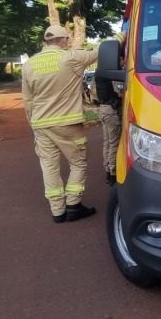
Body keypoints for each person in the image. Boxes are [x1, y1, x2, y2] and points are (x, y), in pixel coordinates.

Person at [22, 24, 125, 223]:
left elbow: (28, 100)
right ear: (63, 40)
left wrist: (33, 125)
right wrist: (121, 35)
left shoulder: (29, 64)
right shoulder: (70, 58)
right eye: (67, 40)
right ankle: (73, 205)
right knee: (77, 163)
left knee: (49, 166)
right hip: (67, 123)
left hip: (40, 124)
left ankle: (58, 211)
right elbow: (100, 51)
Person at [95, 58, 122, 186]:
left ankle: (107, 169)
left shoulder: (99, 71)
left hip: (103, 109)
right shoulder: (109, 73)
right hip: (111, 110)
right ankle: (113, 172)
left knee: (107, 142)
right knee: (114, 143)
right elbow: (119, 91)